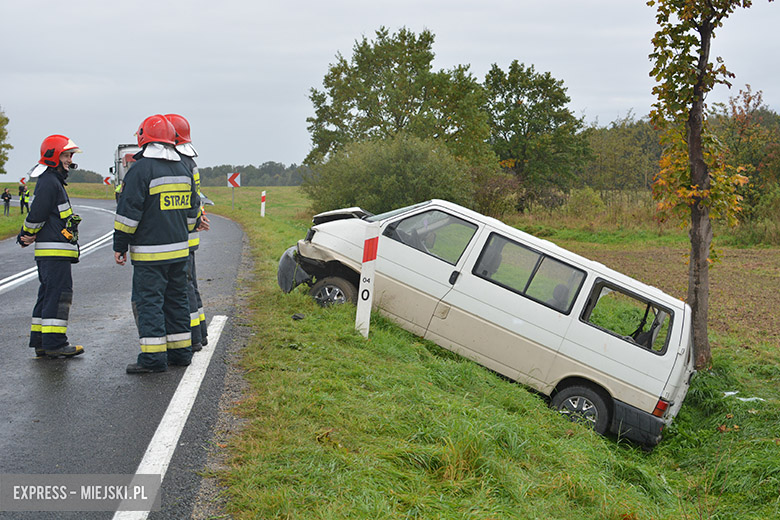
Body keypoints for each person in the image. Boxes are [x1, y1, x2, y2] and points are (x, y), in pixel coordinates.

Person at [113, 115, 202, 374]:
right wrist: (181, 234)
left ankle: (153, 360)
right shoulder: (183, 168)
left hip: (150, 255)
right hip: (180, 251)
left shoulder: (140, 170)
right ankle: (181, 353)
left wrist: (120, 245)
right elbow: (193, 211)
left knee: (149, 302)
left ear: (143, 138)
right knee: (176, 301)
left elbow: (128, 214)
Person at [17, 135, 85, 358]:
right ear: (53, 156)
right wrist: (26, 234)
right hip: (54, 253)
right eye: (66, 155)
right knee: (58, 295)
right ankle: (55, 343)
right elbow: (37, 214)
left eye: (70, 156)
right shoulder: (49, 182)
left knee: (47, 295)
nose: (69, 160)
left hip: (54, 252)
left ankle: (42, 342)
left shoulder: (53, 181)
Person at [165, 113, 210, 351]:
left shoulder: (179, 163)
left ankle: (192, 338)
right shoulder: (189, 161)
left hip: (182, 235)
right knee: (190, 285)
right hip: (190, 233)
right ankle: (199, 333)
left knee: (184, 288)